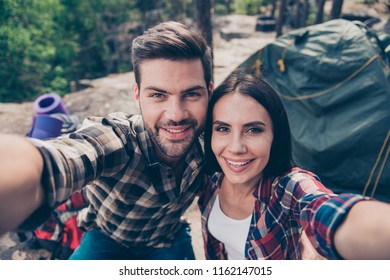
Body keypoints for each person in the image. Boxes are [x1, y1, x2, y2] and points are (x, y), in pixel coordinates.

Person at [0, 21, 213, 260]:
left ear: (209, 92)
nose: (176, 114)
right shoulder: (118, 140)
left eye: (192, 94)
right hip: (106, 239)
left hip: (168, 239)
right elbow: (60, 160)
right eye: (158, 95)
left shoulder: (215, 143)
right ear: (137, 95)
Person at [198, 72, 390, 260]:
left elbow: (324, 209)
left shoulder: (289, 189)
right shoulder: (209, 181)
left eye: (253, 130)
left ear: (275, 137)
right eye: (223, 128)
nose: (236, 147)